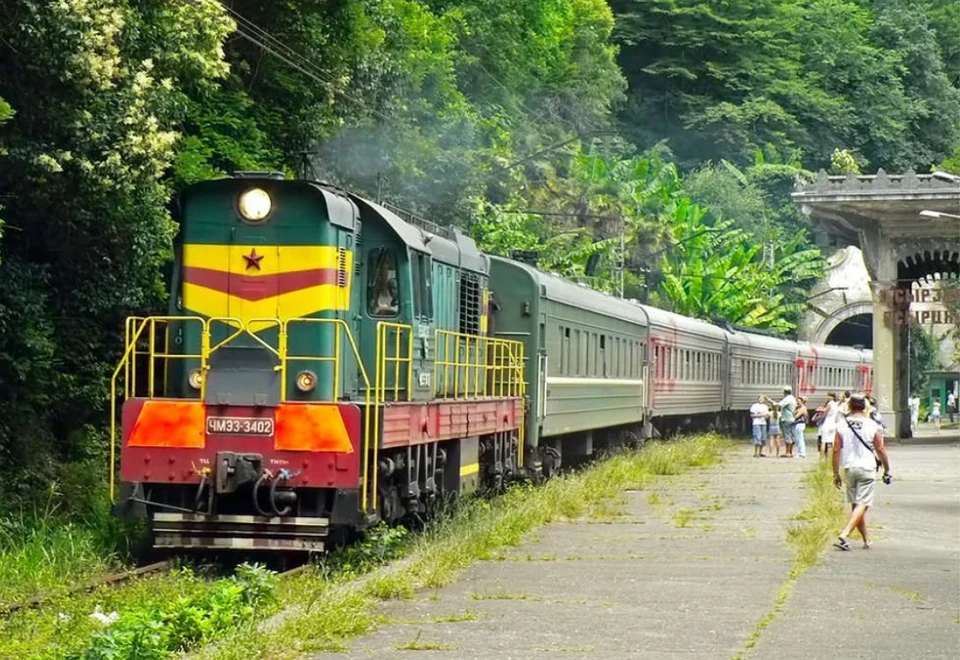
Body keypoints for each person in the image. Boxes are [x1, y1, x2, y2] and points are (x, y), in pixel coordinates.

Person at [833, 393, 892, 551]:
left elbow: (836, 450)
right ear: (865, 407)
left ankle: (867, 539)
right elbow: (880, 449)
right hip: (867, 467)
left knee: (856, 506)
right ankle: (845, 534)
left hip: (849, 468)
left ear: (850, 406)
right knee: (863, 504)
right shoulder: (872, 425)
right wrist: (887, 469)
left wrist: (835, 473)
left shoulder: (841, 424)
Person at [778, 387, 797, 458]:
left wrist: (770, 401)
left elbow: (779, 405)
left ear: (784, 392)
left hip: (787, 419)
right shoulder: (793, 398)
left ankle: (787, 452)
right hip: (792, 418)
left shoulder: (787, 398)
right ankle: (790, 452)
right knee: (791, 436)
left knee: (787, 435)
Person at [819, 392, 839, 460]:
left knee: (824, 442)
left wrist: (821, 416)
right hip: (833, 424)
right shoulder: (836, 405)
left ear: (832, 397)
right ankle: (829, 458)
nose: (827, 397)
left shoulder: (829, 404)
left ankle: (821, 458)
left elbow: (825, 413)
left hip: (827, 423)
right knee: (830, 443)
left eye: (828, 396)